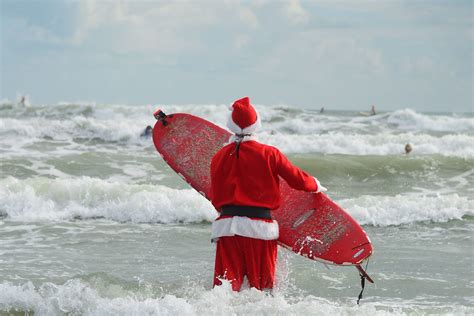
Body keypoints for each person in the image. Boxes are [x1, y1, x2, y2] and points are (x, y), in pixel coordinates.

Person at [210, 97, 327, 292]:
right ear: (256, 125)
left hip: (227, 228)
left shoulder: (218, 157)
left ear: (231, 125)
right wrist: (315, 185)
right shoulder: (269, 153)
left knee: (226, 289)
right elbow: (297, 179)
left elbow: (215, 195)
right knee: (263, 288)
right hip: (259, 230)